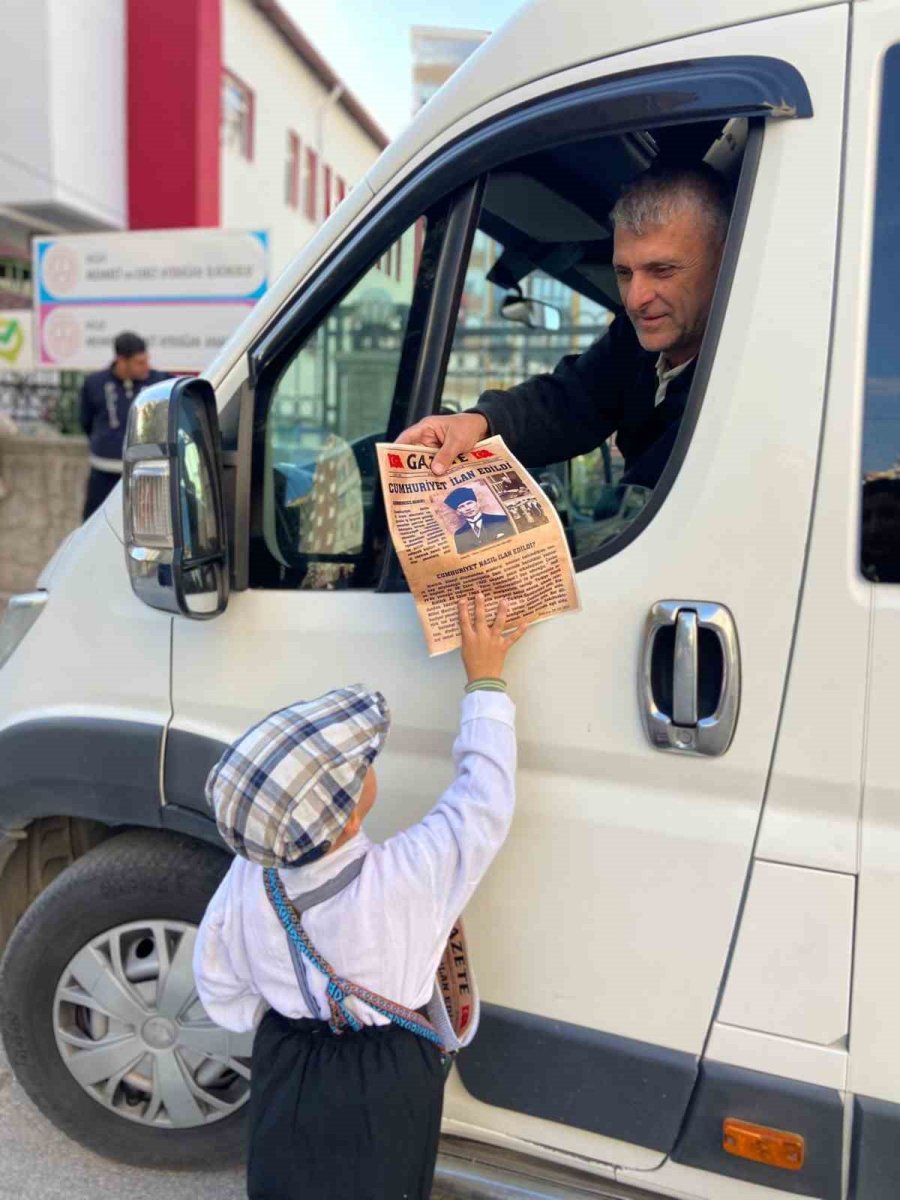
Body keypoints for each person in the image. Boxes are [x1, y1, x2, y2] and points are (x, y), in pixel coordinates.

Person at [193, 592, 525, 1200]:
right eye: (363, 763)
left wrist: (287, 1021)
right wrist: (486, 681)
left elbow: (220, 984)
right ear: (349, 808)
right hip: (386, 1073)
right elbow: (485, 802)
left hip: (289, 1059)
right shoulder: (405, 878)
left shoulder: (250, 874)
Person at [399, 164, 733, 490]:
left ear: (725, 261)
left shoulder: (737, 382)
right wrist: (480, 422)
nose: (635, 299)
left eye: (662, 270)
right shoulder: (634, 344)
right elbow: (570, 401)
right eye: (623, 273)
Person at [79, 331, 168, 519]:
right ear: (121, 361)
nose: (146, 367)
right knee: (94, 524)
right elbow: (85, 421)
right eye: (139, 362)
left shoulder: (158, 381)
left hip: (143, 475)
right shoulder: (95, 383)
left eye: (146, 360)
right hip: (103, 474)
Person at [445, 485, 515, 553]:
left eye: (469, 503)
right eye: (462, 506)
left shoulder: (501, 519)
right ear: (458, 512)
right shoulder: (459, 535)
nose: (468, 508)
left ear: (478, 503)